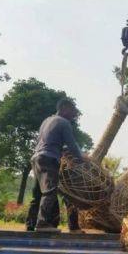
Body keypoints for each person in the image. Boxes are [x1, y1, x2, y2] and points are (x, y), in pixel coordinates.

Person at [26, 98, 88, 233]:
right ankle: (42, 224)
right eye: (73, 112)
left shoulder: (46, 121)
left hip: (36, 158)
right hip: (49, 159)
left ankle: (30, 225)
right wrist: (83, 161)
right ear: (65, 108)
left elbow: (48, 140)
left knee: (38, 193)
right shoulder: (64, 122)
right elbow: (72, 145)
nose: (74, 116)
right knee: (50, 191)